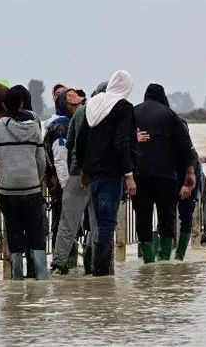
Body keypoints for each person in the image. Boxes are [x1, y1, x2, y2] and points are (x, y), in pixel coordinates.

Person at [0, 87, 49, 280]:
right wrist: (37, 179)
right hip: (32, 190)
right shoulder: (34, 127)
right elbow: (41, 160)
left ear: (3, 105)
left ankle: (16, 279)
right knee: (36, 234)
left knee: (14, 235)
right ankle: (41, 278)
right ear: (21, 104)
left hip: (9, 192)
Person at [76, 71, 138, 276]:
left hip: (93, 173)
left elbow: (81, 139)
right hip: (112, 173)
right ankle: (101, 273)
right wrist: (129, 175)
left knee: (98, 220)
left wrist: (84, 169)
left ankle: (97, 271)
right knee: (107, 222)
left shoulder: (93, 104)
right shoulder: (123, 107)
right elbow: (122, 141)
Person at [132, 84, 194, 262]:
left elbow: (122, 141)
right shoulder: (170, 115)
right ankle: (165, 258)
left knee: (142, 217)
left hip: (139, 176)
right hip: (166, 177)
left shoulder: (133, 113)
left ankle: (148, 261)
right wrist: (189, 172)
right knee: (166, 215)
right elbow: (184, 146)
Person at [46, 89, 88, 274]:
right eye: (72, 105)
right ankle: (62, 267)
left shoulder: (71, 123)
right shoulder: (61, 127)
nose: (76, 108)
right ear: (64, 105)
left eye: (78, 104)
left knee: (69, 225)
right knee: (64, 225)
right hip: (64, 186)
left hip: (69, 185)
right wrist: (65, 188)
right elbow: (61, 160)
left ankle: (67, 268)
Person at [174, 119, 202, 261]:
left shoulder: (189, 152)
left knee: (186, 213)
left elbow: (192, 166)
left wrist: (188, 184)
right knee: (167, 213)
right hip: (174, 174)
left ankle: (180, 255)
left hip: (188, 176)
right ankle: (165, 256)